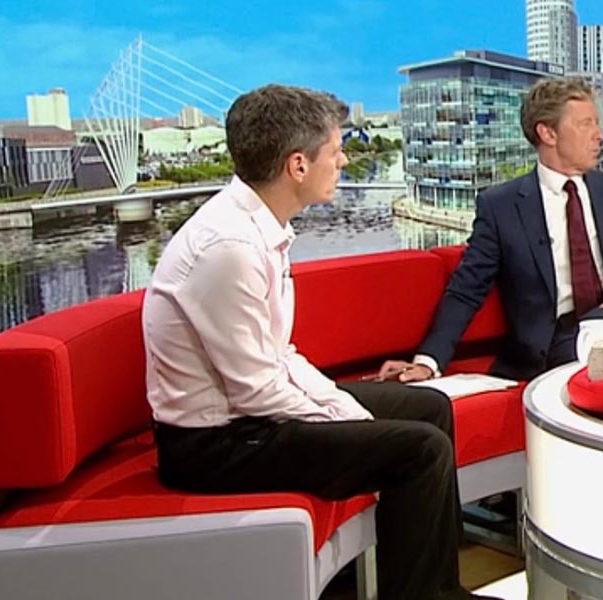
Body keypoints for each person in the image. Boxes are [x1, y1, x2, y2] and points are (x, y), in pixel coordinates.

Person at [141, 84, 496, 600]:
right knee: (419, 450)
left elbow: (279, 355)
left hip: (250, 415)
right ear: (298, 165)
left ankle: (436, 583)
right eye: (335, 151)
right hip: (215, 443)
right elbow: (255, 392)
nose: (345, 159)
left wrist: (340, 403)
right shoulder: (229, 248)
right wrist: (346, 418)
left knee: (428, 408)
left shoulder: (260, 227)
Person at [377, 77, 603, 383]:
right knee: (583, 348)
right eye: (585, 124)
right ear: (548, 133)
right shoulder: (501, 206)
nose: (598, 134)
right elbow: (466, 290)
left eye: (597, 123)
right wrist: (427, 361)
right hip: (549, 349)